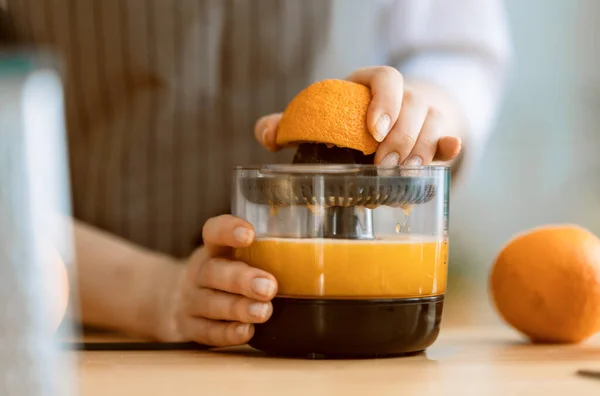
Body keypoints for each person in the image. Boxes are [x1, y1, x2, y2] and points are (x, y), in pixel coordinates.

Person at [0, 0, 511, 346]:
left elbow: (454, 46)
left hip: (331, 330)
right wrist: (154, 291)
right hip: (74, 325)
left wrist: (423, 112)